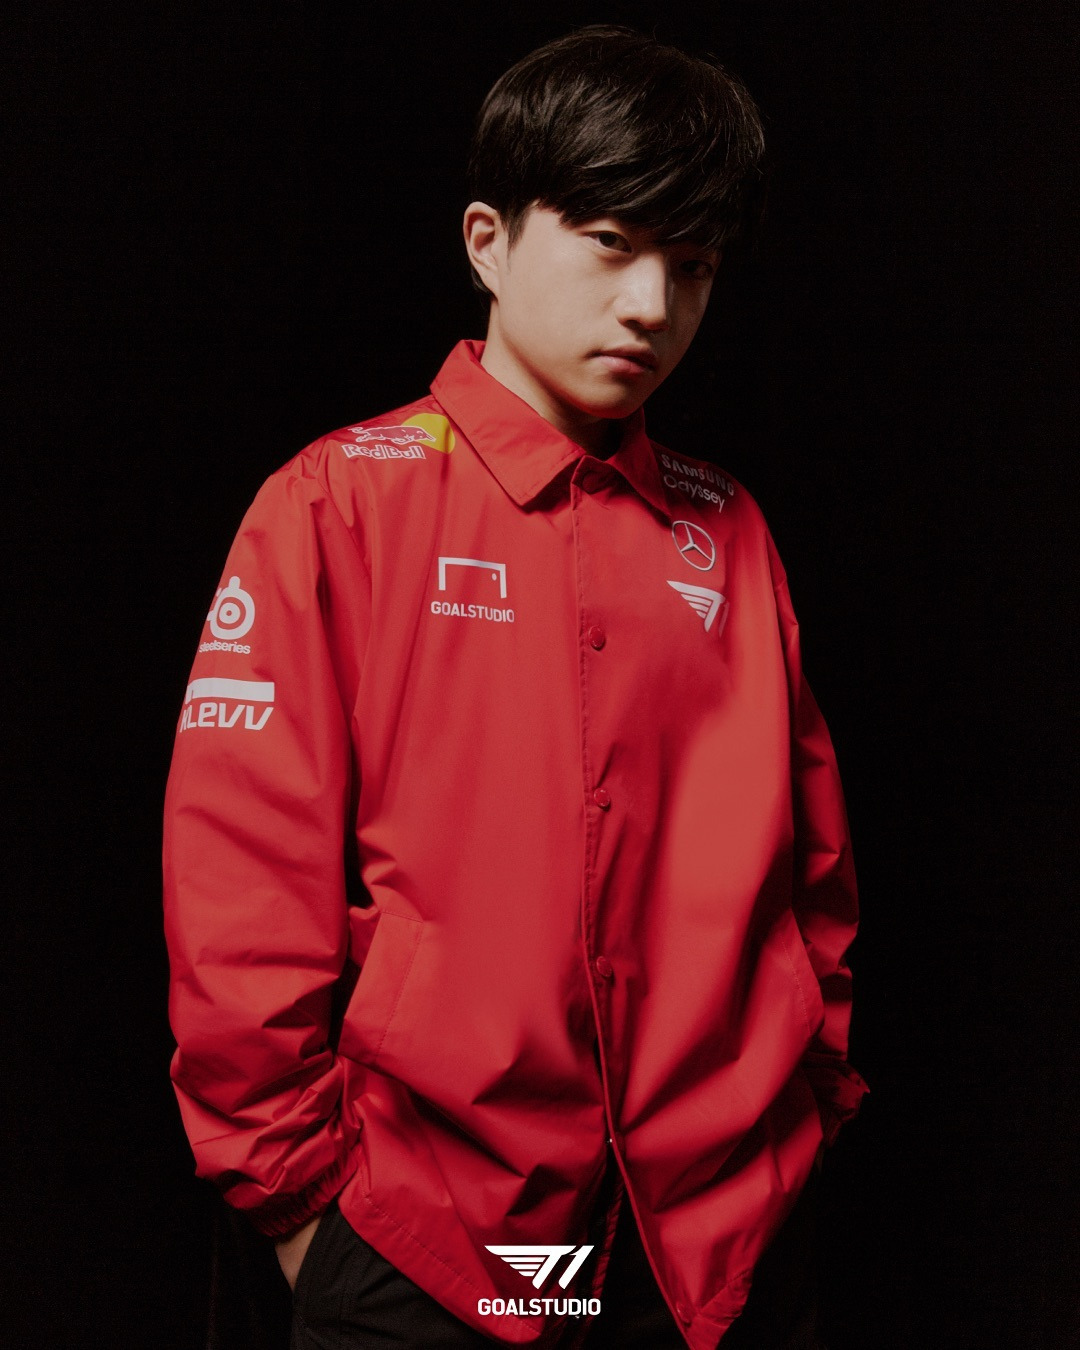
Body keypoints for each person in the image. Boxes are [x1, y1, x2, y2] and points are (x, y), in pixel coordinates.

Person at [163, 24, 869, 1350]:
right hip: (437, 1232)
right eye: (610, 242)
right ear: (488, 241)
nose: (651, 305)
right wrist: (297, 1200)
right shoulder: (338, 502)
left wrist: (812, 1096)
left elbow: (812, 861)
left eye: (694, 265)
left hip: (711, 1237)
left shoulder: (731, 530)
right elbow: (238, 876)